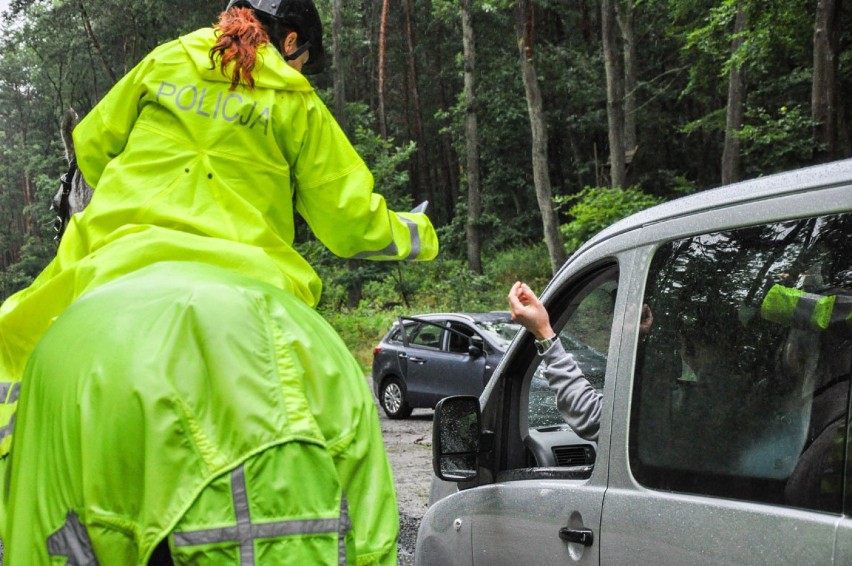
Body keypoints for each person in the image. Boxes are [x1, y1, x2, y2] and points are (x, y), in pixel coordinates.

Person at [0, 1, 437, 563]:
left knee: (19, 359)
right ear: (291, 40)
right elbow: (350, 224)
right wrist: (418, 232)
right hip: (250, 296)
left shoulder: (164, 61)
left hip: (109, 278)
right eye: (304, 60)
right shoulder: (293, 99)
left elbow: (90, 144)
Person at [507, 282, 653, 442]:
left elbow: (594, 418)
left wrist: (543, 332)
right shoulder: (673, 398)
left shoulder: (663, 400)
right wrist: (639, 339)